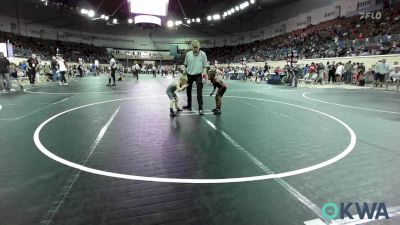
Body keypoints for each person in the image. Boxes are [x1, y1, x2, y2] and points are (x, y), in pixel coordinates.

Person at [183, 40, 209, 115]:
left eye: (197, 47)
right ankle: (189, 105)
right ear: (192, 47)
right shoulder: (188, 54)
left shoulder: (203, 54)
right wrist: (184, 75)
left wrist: (204, 76)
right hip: (189, 74)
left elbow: (205, 66)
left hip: (198, 75)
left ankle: (200, 108)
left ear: (199, 47)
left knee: (199, 92)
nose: (195, 49)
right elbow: (185, 65)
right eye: (194, 48)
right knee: (188, 91)